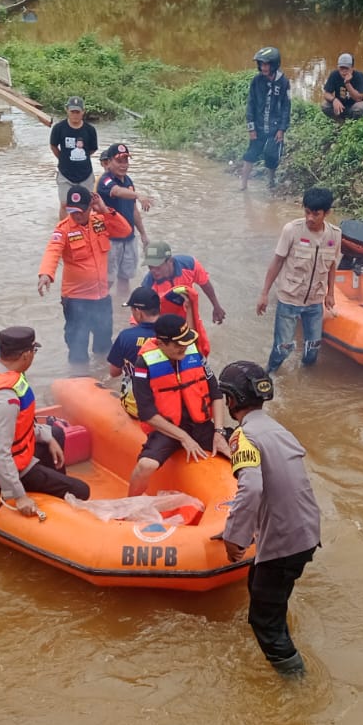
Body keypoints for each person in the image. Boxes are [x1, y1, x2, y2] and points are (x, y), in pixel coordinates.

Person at [219, 360, 320, 677]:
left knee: (264, 620)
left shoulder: (243, 438)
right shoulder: (278, 429)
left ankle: (296, 683)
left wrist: (233, 537)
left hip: (283, 542)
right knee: (263, 585)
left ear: (231, 400)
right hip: (305, 531)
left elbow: (250, 489)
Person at [0, 325, 91, 516]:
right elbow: (1, 453)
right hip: (2, 472)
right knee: (82, 490)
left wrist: (48, 438)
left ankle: (52, 485)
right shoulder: (6, 399)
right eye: (34, 351)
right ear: (25, 355)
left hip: (18, 456)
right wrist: (19, 495)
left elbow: (22, 424)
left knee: (54, 433)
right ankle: (55, 503)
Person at [125, 312, 232, 496]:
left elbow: (216, 393)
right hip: (168, 430)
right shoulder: (144, 364)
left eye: (186, 342)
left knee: (245, 447)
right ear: (161, 343)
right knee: (145, 465)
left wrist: (219, 432)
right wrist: (183, 437)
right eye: (178, 344)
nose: (184, 347)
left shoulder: (193, 353)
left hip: (201, 425)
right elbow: (147, 413)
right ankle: (129, 507)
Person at [257, 186, 341, 371]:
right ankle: (269, 374)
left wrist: (330, 294)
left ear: (327, 213)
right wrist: (264, 294)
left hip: (315, 301)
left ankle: (305, 379)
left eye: (316, 214)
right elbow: (277, 262)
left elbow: (332, 265)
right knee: (282, 348)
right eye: (307, 212)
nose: (310, 218)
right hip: (289, 299)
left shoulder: (335, 235)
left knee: (313, 349)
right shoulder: (292, 230)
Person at [37, 185, 116, 365]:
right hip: (75, 299)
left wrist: (104, 210)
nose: (76, 215)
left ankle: (103, 375)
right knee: (77, 348)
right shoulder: (63, 229)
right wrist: (46, 274)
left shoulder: (100, 221)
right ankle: (79, 378)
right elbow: (52, 251)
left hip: (101, 297)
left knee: (104, 346)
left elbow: (124, 230)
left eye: (80, 211)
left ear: (90, 207)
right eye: (72, 211)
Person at [138, 240, 226, 358]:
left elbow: (205, 283)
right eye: (150, 267)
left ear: (170, 261)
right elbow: (140, 313)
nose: (153, 271)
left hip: (188, 314)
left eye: (157, 267)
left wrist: (216, 306)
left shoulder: (189, 264)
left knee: (200, 351)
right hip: (166, 323)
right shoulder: (148, 285)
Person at [95, 142, 152, 299]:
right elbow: (117, 191)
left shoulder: (128, 181)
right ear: (109, 162)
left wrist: (143, 234)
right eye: (119, 161)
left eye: (126, 160)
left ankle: (122, 310)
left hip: (129, 239)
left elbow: (133, 210)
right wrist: (139, 195)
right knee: (108, 280)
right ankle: (98, 308)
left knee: (125, 277)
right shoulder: (105, 180)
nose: (123, 165)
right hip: (110, 240)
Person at [241, 46, 291, 191]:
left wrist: (282, 129)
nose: (263, 67)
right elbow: (251, 104)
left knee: (271, 156)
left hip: (275, 128)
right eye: (261, 64)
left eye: (266, 64)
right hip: (258, 126)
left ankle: (271, 182)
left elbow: (286, 107)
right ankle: (243, 186)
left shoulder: (283, 82)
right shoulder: (256, 81)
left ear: (274, 64)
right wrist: (251, 127)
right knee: (250, 155)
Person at [106, 286, 160, 418]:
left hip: (138, 407)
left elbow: (114, 372)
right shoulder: (172, 333)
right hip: (168, 404)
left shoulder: (126, 336)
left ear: (138, 311)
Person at [49, 96, 97, 210]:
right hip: (65, 174)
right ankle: (63, 228)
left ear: (83, 112)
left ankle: (85, 228)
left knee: (87, 205)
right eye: (72, 111)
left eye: (78, 112)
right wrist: (64, 158)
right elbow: (53, 146)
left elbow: (92, 149)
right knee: (65, 204)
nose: (75, 114)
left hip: (85, 174)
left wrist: (81, 157)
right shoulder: (58, 128)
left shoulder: (90, 130)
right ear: (67, 110)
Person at [322, 52, 363, 119]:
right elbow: (326, 94)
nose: (344, 71)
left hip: (354, 106)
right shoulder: (334, 74)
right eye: (341, 68)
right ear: (338, 67)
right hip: (340, 105)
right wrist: (334, 100)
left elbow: (359, 98)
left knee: (361, 107)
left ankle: (353, 123)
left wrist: (347, 83)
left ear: (352, 68)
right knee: (325, 106)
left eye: (346, 68)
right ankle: (339, 121)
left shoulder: (360, 76)